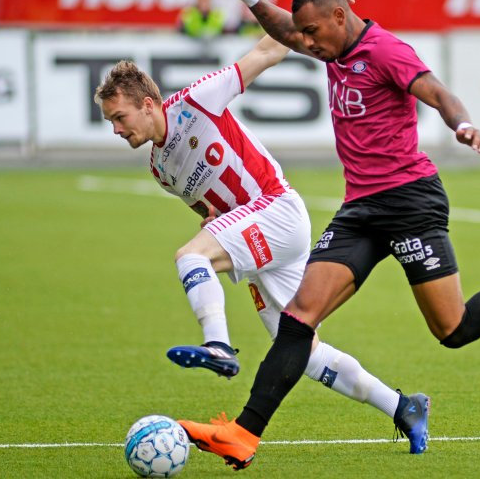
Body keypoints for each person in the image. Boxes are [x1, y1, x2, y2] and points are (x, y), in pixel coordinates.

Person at [176, 0, 480, 471]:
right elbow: (282, 28)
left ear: (340, 15)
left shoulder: (386, 50)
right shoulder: (327, 44)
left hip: (411, 202)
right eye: (303, 33)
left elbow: (438, 92)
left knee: (453, 328)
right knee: (298, 319)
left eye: (313, 32)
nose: (306, 43)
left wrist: (462, 124)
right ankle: (243, 434)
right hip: (361, 209)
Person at [93, 32, 431, 461]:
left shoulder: (197, 101)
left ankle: (217, 345)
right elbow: (214, 212)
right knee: (304, 353)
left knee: (191, 256)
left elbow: (268, 50)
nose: (118, 130)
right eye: (111, 123)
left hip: (277, 211)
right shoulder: (160, 168)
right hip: (262, 242)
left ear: (147, 104)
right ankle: (405, 407)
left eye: (120, 117)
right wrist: (214, 222)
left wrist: (311, 22)